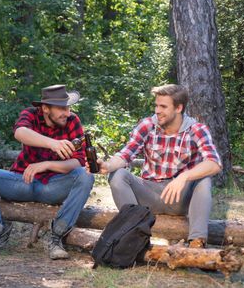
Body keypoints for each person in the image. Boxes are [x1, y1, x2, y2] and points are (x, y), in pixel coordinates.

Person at [0, 84, 95, 259]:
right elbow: (20, 132)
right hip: (22, 182)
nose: (67, 113)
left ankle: (57, 237)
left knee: (86, 174)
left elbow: (79, 161)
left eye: (68, 107)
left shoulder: (72, 121)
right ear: (45, 108)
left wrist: (46, 164)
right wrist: (52, 143)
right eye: (61, 108)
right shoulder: (30, 114)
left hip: (53, 187)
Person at [94, 84, 221, 248]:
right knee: (118, 175)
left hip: (180, 197)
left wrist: (184, 177)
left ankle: (197, 242)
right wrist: (107, 166)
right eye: (156, 105)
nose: (157, 110)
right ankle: (133, 235)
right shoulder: (147, 125)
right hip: (150, 195)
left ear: (178, 108)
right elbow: (126, 154)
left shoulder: (196, 129)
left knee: (204, 180)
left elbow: (214, 163)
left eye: (163, 106)